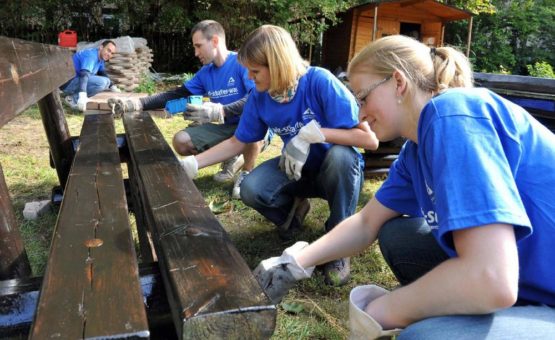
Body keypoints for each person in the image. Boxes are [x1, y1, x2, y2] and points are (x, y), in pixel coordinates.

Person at [254, 34, 555, 339]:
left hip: (525, 286)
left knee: (422, 337)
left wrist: (382, 310)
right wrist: (294, 262)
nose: (360, 115)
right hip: (523, 276)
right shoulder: (415, 150)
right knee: (399, 237)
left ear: (398, 82)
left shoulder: (453, 115)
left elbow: (491, 279)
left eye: (363, 97)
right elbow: (366, 222)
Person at [180, 25, 379, 285]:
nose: (250, 78)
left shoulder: (319, 81)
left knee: (342, 157)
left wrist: (312, 134)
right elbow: (237, 141)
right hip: (296, 170)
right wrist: (193, 163)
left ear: (277, 63)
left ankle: (339, 243)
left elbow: (368, 140)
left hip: (335, 171)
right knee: (251, 188)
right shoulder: (260, 96)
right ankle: (292, 215)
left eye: (255, 71)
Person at [108, 20, 264, 198]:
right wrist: (137, 104)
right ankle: (230, 156)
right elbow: (176, 94)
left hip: (253, 126)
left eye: (198, 46)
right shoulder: (206, 73)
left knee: (253, 124)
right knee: (181, 141)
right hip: (227, 127)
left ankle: (247, 171)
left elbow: (256, 98)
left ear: (214, 41)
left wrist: (221, 111)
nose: (196, 53)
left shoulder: (242, 64)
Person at [61, 40, 120, 111]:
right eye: (108, 50)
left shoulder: (100, 57)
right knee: (102, 83)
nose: (109, 54)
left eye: (112, 53)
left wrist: (112, 86)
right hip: (67, 83)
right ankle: (72, 99)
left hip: (75, 81)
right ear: (101, 47)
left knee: (107, 82)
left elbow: (102, 72)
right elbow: (84, 74)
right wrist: (82, 95)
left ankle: (72, 97)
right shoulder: (91, 56)